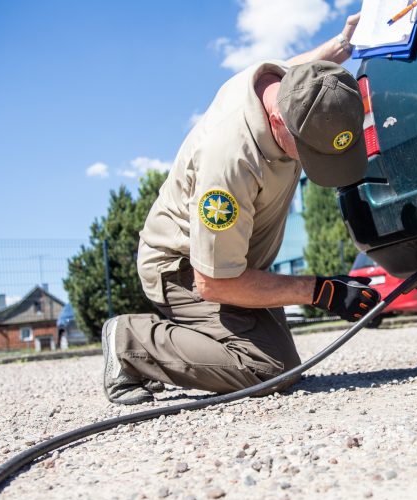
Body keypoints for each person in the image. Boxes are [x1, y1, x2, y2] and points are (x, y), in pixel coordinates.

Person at [101, 14, 381, 405]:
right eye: (310, 151)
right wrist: (320, 290)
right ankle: (131, 345)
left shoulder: (282, 87)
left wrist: (334, 51)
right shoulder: (231, 164)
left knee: (278, 355)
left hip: (236, 262)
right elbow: (213, 282)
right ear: (280, 121)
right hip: (184, 267)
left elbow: (303, 75)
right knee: (269, 369)